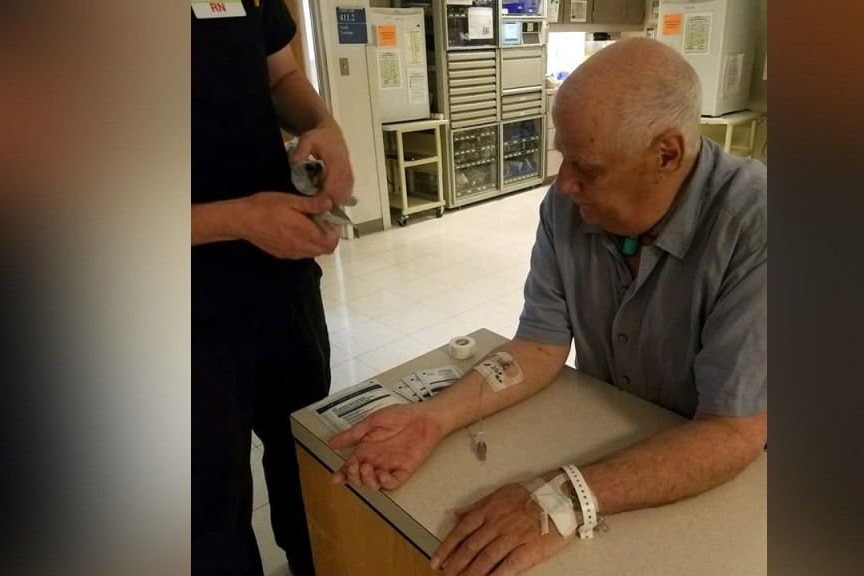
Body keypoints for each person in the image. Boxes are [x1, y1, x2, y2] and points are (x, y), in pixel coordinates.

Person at [327, 38, 766, 576]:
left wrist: (562, 498)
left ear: (666, 154)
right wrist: (431, 417)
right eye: (563, 157)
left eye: (587, 167)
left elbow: (733, 430)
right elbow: (538, 345)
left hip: (732, 481)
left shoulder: (758, 227)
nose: (564, 183)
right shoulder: (566, 208)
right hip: (619, 436)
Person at [191, 1, 354, 575]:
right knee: (207, 511)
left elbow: (279, 71)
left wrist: (323, 125)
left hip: (279, 281)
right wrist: (236, 219)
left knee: (308, 460)